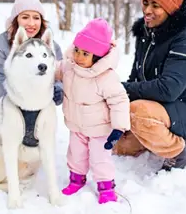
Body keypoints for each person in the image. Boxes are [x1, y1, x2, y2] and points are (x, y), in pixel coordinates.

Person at [113, 0, 186, 171]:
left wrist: (121, 89)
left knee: (137, 113)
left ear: (171, 9)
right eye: (145, 3)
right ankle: (174, 134)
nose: (147, 11)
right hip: (159, 105)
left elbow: (169, 89)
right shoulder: (146, 34)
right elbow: (136, 79)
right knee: (119, 147)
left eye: (156, 5)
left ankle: (179, 154)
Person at [55, 18, 130, 204]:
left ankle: (106, 186)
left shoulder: (106, 77)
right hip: (76, 125)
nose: (79, 56)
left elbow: (119, 101)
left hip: (99, 130)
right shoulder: (69, 67)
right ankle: (76, 178)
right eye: (77, 50)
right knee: (75, 154)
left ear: (97, 57)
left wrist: (118, 127)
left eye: (85, 54)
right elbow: (52, 71)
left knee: (100, 158)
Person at [0, 0, 64, 112]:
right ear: (16, 20)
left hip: (41, 101)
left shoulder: (49, 46)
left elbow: (60, 73)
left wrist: (58, 88)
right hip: (9, 100)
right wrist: (17, 99)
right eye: (25, 17)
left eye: (36, 18)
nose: (31, 23)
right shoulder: (1, 45)